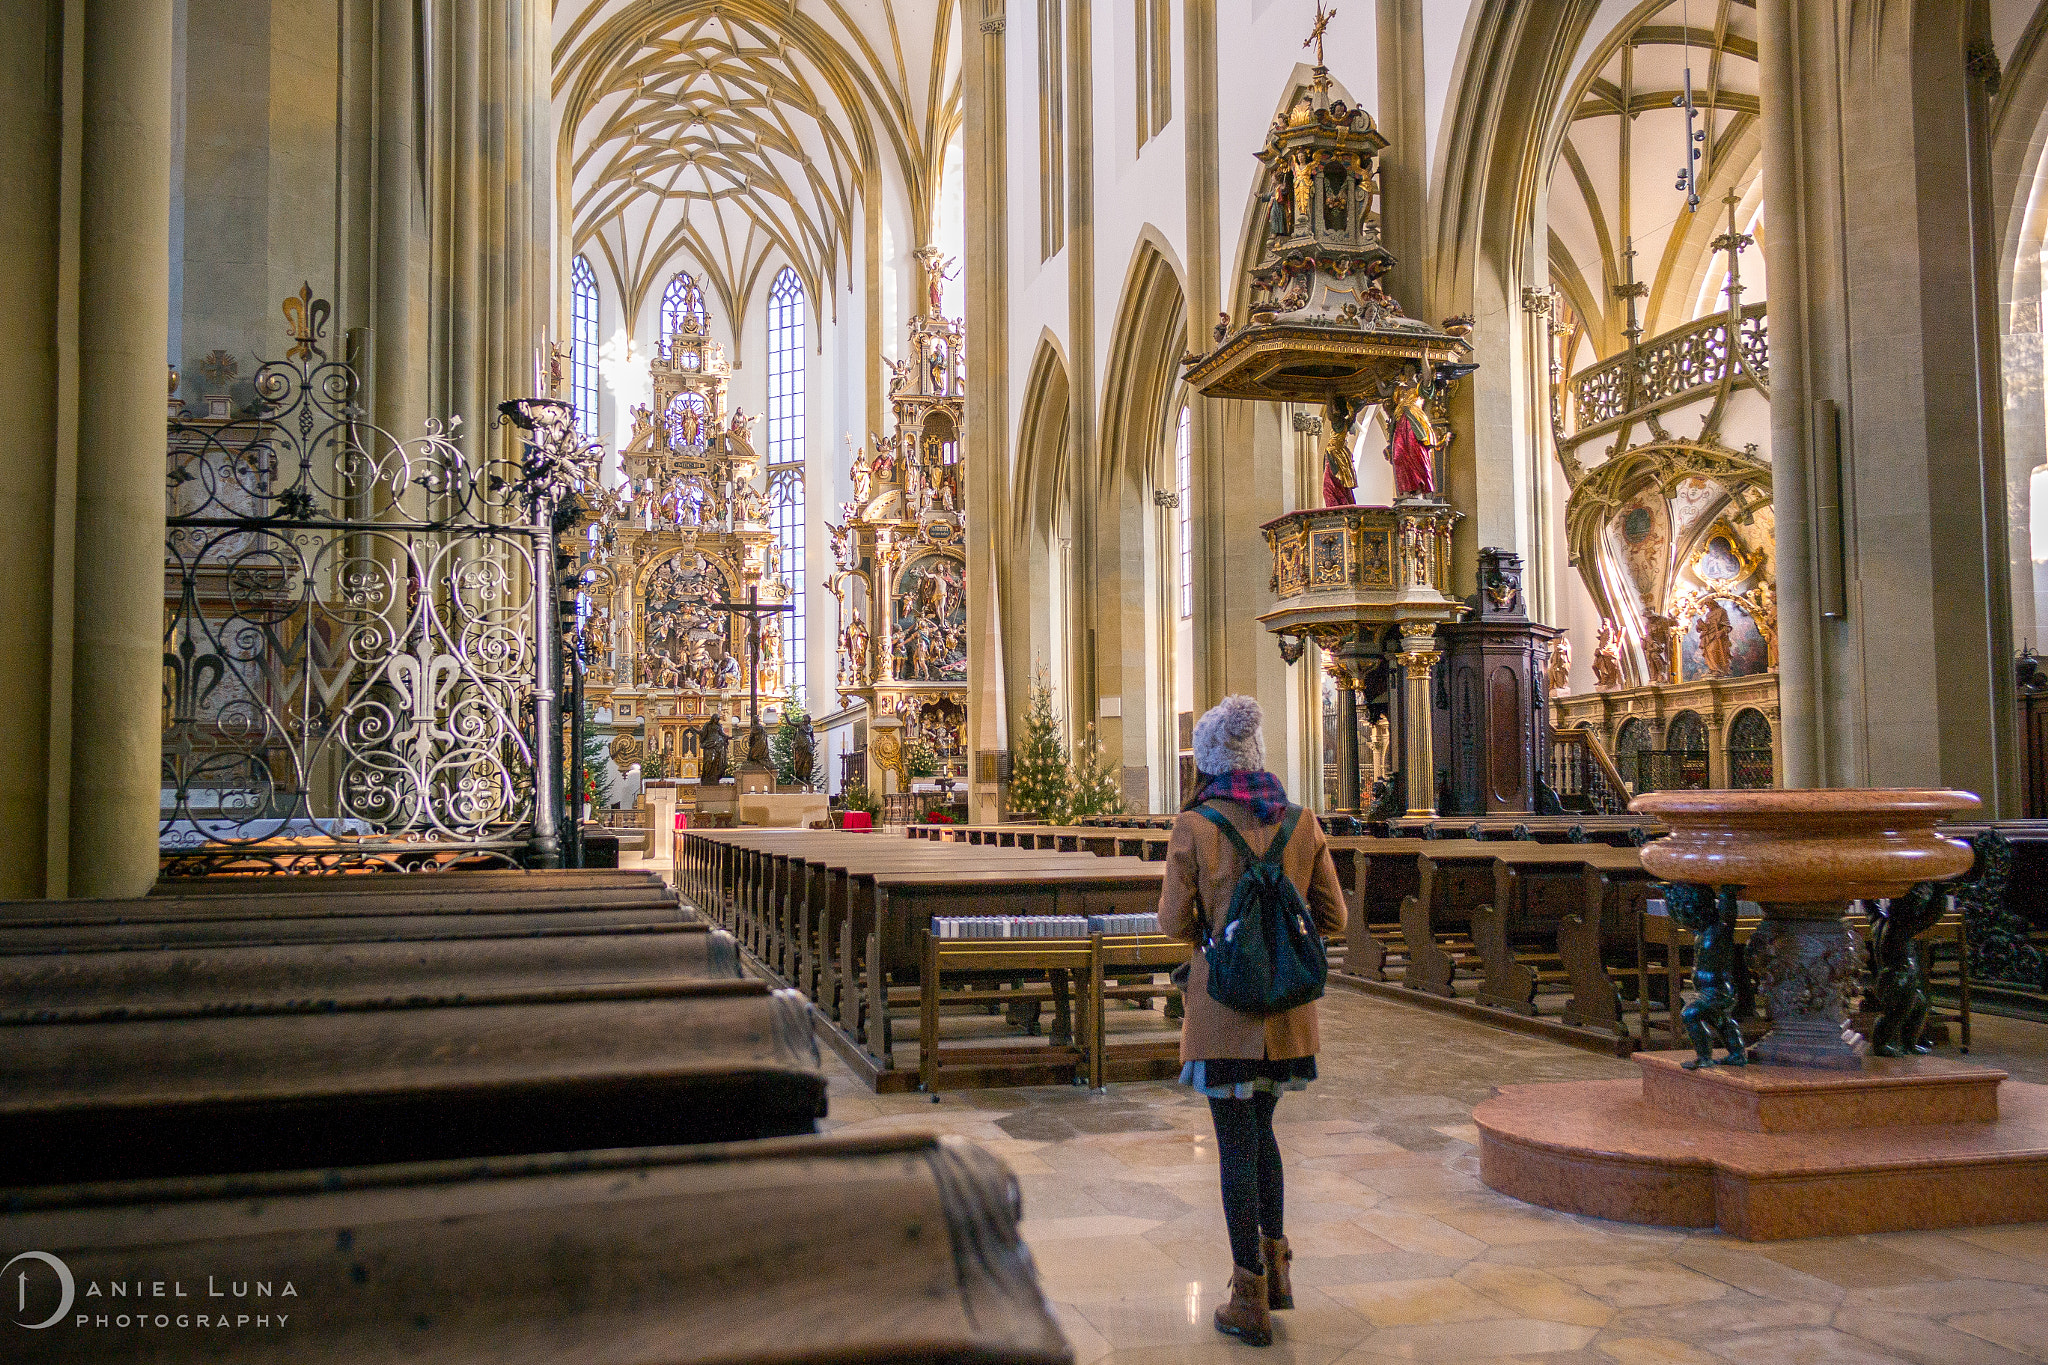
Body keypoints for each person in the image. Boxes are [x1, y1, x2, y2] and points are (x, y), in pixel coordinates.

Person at [1158, 695, 1346, 1348]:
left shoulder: (1195, 825)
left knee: (1233, 1141)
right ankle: (1278, 1268)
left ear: (1209, 761)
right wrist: (1280, 949)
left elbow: (1171, 924)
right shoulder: (1302, 821)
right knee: (1263, 1132)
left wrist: (1224, 941)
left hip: (1224, 1013)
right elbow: (1336, 919)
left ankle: (1248, 1297)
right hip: (1287, 1014)